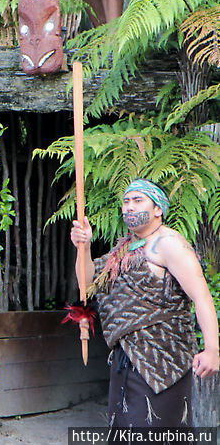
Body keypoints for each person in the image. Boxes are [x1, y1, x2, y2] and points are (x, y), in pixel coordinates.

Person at [71, 179, 219, 429]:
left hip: (164, 359)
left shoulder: (170, 244)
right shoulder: (124, 249)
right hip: (126, 358)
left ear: (158, 209)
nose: (129, 207)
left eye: (138, 201)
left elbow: (202, 297)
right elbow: (87, 284)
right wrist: (83, 247)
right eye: (126, 201)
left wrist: (212, 350)